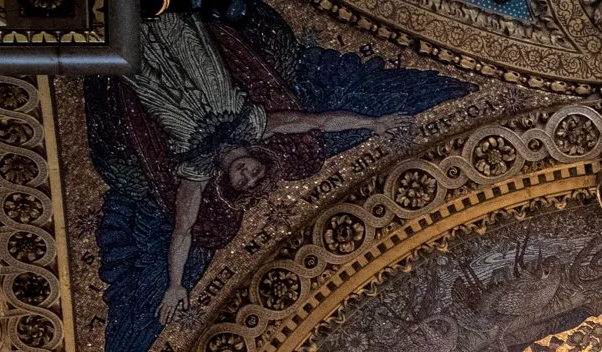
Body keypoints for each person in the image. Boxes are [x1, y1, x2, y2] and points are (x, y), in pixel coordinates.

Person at [127, 12, 412, 325]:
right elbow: (319, 121)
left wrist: (176, 285)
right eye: (254, 172)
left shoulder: (197, 170)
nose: (247, 174)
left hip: (159, 89)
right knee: (179, 34)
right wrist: (373, 123)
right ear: (258, 157)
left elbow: (183, 230)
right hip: (200, 66)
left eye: (244, 180)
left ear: (229, 183)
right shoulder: (253, 127)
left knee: (135, 54)